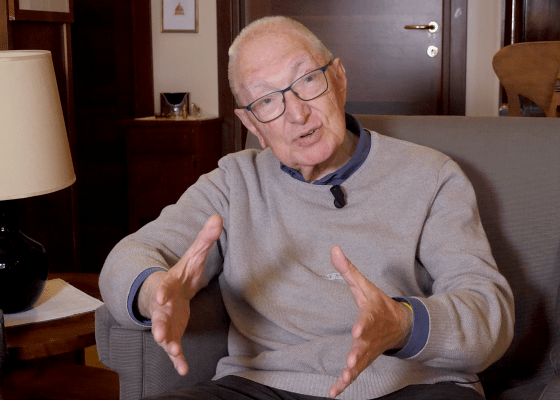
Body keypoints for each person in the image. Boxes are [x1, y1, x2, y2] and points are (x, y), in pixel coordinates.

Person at [100, 16, 514, 400]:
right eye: (267, 101)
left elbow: (488, 313)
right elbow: (131, 256)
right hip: (265, 387)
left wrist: (402, 324)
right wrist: (155, 294)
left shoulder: (431, 175)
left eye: (308, 80)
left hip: (411, 385)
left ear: (339, 79)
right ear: (253, 125)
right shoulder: (233, 182)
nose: (297, 113)